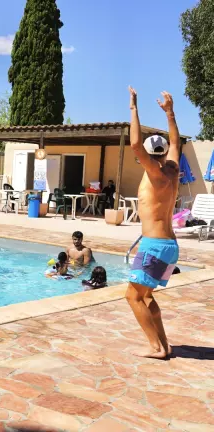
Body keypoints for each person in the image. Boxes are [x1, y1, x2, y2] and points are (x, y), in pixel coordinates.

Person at [125, 86, 180, 359]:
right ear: (166, 152)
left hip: (155, 246)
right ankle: (164, 344)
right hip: (169, 246)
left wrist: (134, 108)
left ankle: (155, 347)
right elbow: (176, 143)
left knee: (132, 296)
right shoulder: (173, 170)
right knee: (146, 296)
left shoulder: (156, 173)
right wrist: (170, 113)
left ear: (146, 156)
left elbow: (136, 144)